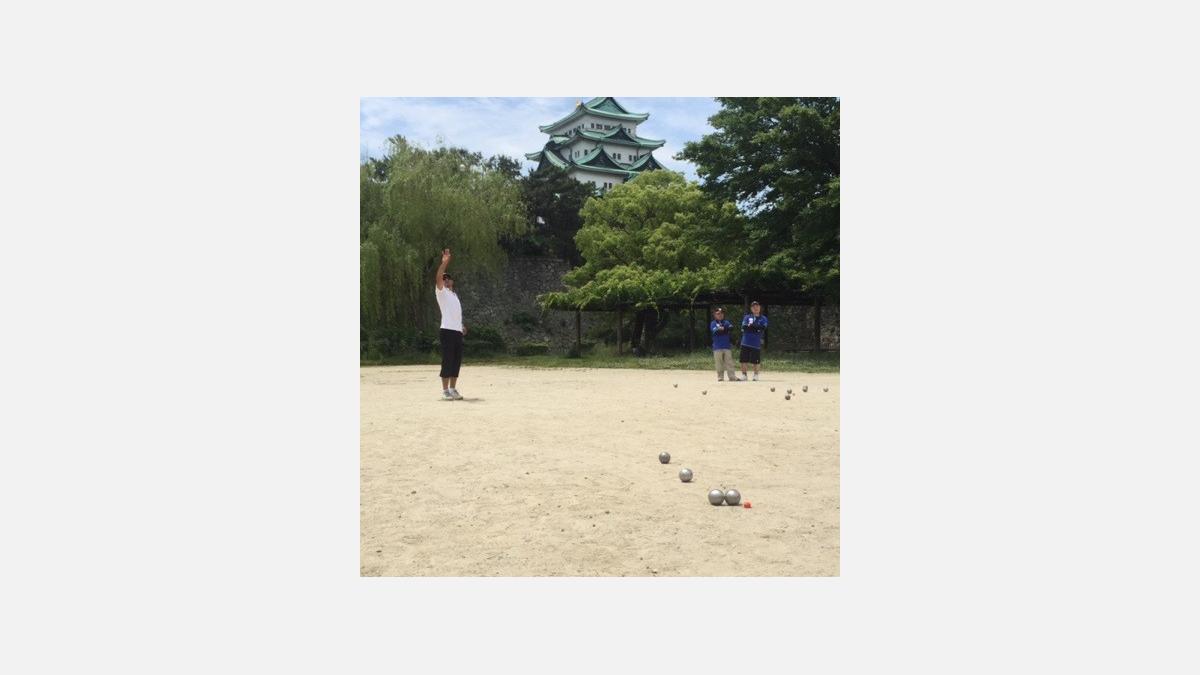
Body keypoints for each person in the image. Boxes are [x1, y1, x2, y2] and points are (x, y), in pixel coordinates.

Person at [434, 248, 467, 401]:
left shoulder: (454, 295)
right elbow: (438, 277)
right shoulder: (441, 293)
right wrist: (444, 263)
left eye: (448, 278)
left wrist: (461, 326)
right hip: (447, 330)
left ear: (452, 281)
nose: (446, 280)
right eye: (444, 279)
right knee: (447, 359)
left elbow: (455, 313)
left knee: (456, 361)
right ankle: (445, 390)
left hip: (456, 331)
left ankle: (453, 389)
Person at [739, 301, 768, 381]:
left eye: (757, 306)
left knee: (756, 361)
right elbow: (744, 327)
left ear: (759, 308)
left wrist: (752, 326)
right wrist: (756, 328)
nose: (755, 308)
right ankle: (744, 375)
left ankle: (756, 375)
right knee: (743, 360)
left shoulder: (763, 318)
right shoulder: (747, 317)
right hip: (745, 342)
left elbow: (763, 328)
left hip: (756, 343)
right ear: (751, 309)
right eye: (753, 307)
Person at [710, 307, 741, 382]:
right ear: (714, 315)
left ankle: (732, 377)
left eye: (721, 313)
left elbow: (731, 328)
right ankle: (720, 377)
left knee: (729, 362)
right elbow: (716, 331)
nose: (720, 315)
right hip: (717, 347)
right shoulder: (713, 323)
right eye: (718, 314)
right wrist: (724, 329)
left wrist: (722, 329)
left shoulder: (726, 322)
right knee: (719, 363)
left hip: (726, 346)